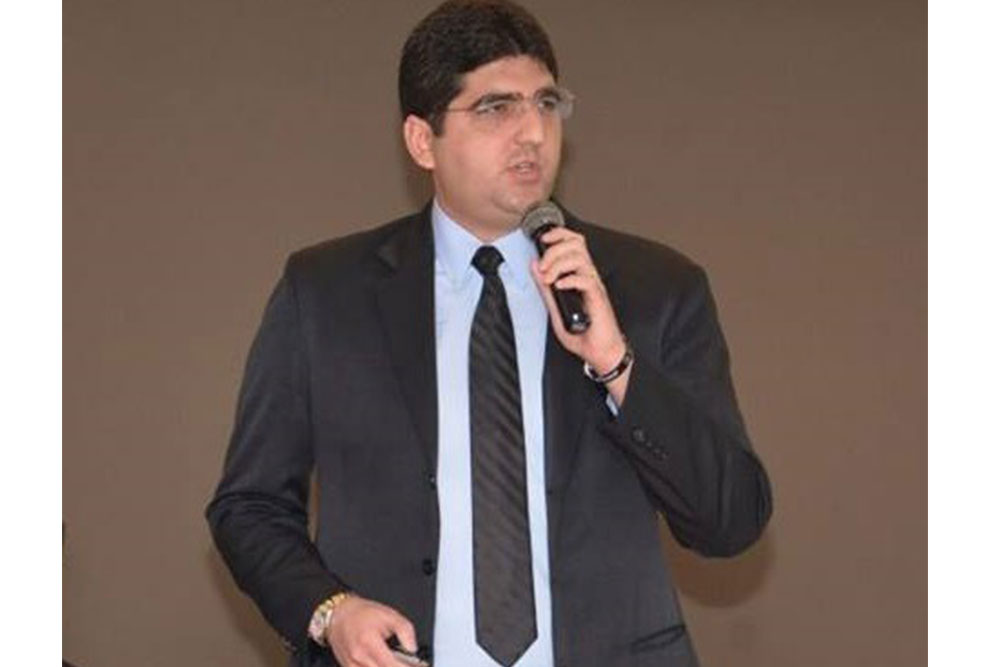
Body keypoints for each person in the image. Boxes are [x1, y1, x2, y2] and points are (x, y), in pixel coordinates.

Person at [206, 2, 772, 666]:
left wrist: (617, 364)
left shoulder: (656, 289)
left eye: (546, 104)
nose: (532, 132)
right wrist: (330, 611)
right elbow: (248, 505)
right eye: (495, 108)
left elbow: (731, 519)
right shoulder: (326, 294)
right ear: (423, 139)